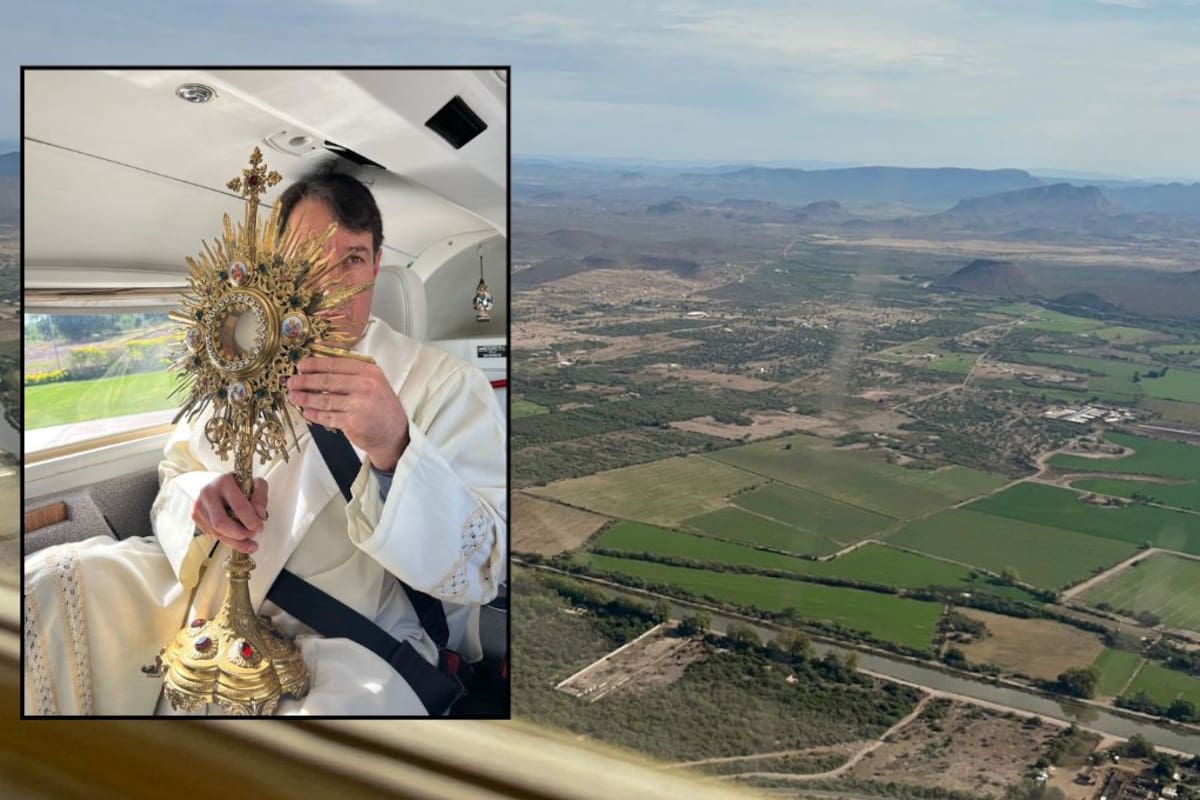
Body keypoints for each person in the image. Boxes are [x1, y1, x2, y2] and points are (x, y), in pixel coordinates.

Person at [23, 172, 507, 716]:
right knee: (48, 585)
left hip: (353, 634)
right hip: (199, 596)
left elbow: (483, 567)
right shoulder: (239, 356)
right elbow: (176, 475)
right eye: (310, 259)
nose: (334, 286)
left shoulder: (443, 384)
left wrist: (395, 447)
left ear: (376, 265)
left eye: (351, 260)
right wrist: (200, 498)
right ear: (279, 264)